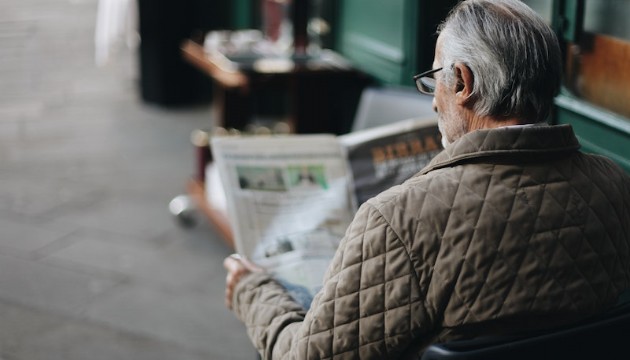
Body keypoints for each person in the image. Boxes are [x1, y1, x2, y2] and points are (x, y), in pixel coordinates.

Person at [223, 0, 630, 358]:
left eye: (436, 78)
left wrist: (252, 291)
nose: (433, 97)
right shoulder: (615, 185)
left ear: (463, 82)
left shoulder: (399, 220)